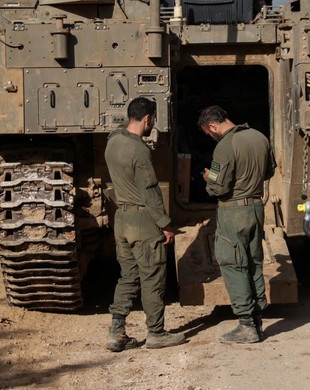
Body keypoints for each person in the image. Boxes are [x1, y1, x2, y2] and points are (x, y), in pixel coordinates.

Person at [104, 97, 186, 351]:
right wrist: (165, 224)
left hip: (122, 220)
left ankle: (117, 331)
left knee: (128, 276)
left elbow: (119, 131)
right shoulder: (139, 151)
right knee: (152, 277)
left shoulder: (113, 142)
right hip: (142, 222)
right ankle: (156, 333)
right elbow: (150, 191)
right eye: (153, 120)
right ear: (148, 119)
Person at [198, 105, 276, 343]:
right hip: (255, 207)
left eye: (208, 133)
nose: (210, 137)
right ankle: (257, 319)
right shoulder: (259, 137)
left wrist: (207, 177)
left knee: (233, 263)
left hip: (233, 211)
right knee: (254, 262)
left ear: (213, 126)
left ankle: (245, 325)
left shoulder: (224, 146)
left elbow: (218, 187)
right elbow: (269, 171)